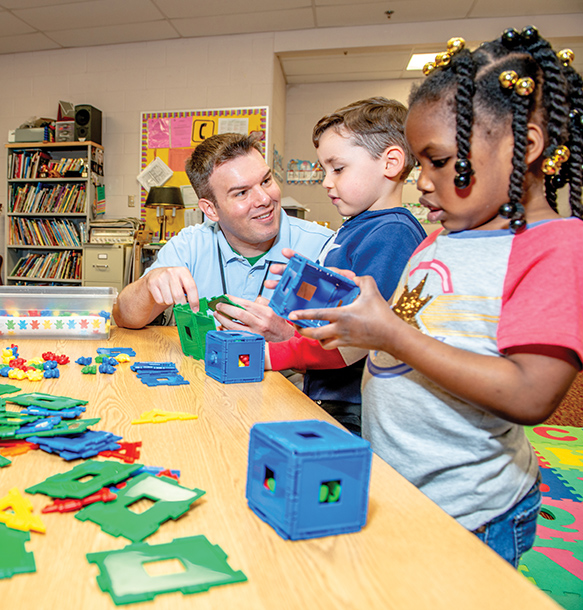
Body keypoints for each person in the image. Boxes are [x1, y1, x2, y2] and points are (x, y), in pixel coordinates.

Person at [284, 28, 583, 566]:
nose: (422, 182)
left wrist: (391, 333)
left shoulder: (556, 248)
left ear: (527, 147)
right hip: (400, 483)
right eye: (420, 164)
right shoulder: (440, 239)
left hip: (472, 511)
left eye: (438, 161)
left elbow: (530, 396)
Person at [227, 97, 425, 435]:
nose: (326, 181)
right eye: (324, 170)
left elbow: (355, 343)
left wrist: (272, 356)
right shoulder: (358, 227)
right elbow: (333, 310)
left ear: (390, 163)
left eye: (338, 168)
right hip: (328, 393)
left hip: (353, 407)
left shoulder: (392, 235)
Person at [113, 133, 333, 329]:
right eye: (241, 193)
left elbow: (347, 356)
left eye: (266, 181)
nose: (265, 199)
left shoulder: (322, 247)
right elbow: (123, 317)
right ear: (210, 210)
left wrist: (287, 341)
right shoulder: (189, 246)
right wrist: (148, 284)